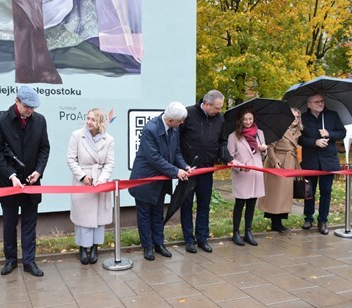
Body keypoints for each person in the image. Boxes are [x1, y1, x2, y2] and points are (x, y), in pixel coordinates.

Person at [0, 85, 50, 276]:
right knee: (9, 224)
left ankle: (29, 261)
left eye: (33, 107)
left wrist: (38, 171)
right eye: (27, 107)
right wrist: (12, 176)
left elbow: (44, 149)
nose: (30, 111)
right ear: (17, 101)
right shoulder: (0, 120)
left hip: (32, 183)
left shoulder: (40, 121)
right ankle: (10, 260)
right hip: (8, 183)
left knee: (30, 224)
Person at [129, 102, 192, 261]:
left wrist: (184, 165)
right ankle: (147, 247)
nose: (182, 123)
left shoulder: (174, 128)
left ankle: (159, 244)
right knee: (144, 215)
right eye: (180, 121)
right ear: (170, 120)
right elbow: (154, 158)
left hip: (161, 180)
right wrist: (176, 171)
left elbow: (176, 151)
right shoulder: (150, 129)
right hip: (145, 179)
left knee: (158, 213)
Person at [179, 90, 232, 254]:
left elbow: (222, 142)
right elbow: (176, 142)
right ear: (207, 104)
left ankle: (202, 238)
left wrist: (227, 158)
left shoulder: (220, 118)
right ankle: (189, 240)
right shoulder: (187, 114)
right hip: (188, 170)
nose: (219, 111)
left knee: (204, 205)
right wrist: (180, 165)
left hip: (207, 169)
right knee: (186, 205)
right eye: (217, 107)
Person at [67, 108, 115, 265]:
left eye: (93, 119)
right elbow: (71, 159)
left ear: (100, 122)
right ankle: (83, 247)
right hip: (83, 180)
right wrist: (83, 177)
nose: (89, 122)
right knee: (83, 218)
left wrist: (101, 180)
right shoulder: (76, 136)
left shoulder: (108, 140)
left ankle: (95, 247)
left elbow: (109, 163)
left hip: (101, 181)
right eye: (88, 118)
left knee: (99, 218)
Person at [298, 93, 346, 235]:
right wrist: (315, 142)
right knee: (309, 192)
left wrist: (329, 134)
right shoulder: (303, 118)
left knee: (326, 192)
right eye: (316, 102)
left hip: (328, 161)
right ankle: (308, 218)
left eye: (322, 101)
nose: (320, 104)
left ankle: (323, 220)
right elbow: (299, 139)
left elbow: (342, 132)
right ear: (309, 104)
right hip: (310, 161)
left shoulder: (332, 115)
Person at [257, 108, 303, 232]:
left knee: (285, 194)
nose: (295, 119)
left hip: (290, 162)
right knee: (276, 194)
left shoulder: (298, 131)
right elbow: (270, 147)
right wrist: (274, 161)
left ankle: (280, 220)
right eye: (293, 116)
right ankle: (275, 222)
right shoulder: (278, 128)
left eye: (297, 117)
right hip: (278, 162)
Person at [227, 109, 267, 246]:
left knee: (251, 204)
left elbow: (262, 156)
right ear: (240, 120)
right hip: (243, 174)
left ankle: (248, 232)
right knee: (240, 204)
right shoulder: (233, 136)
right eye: (245, 119)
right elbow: (230, 158)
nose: (248, 122)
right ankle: (236, 233)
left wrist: (264, 150)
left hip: (256, 174)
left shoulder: (260, 133)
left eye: (250, 119)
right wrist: (239, 166)